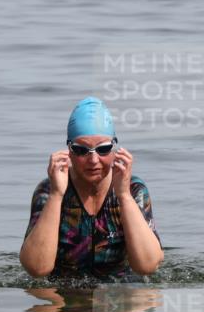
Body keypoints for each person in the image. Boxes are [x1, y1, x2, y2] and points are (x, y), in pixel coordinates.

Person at [19, 97, 164, 280]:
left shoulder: (133, 188)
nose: (93, 160)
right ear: (69, 151)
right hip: (64, 291)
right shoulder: (49, 189)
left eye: (103, 149)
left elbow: (147, 266)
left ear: (114, 148)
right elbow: (37, 269)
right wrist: (57, 195)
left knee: (147, 297)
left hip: (118, 291)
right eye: (81, 150)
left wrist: (124, 196)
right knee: (45, 301)